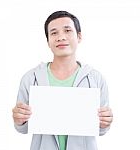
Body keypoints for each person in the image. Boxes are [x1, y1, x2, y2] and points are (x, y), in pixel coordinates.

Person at [12, 10, 113, 150]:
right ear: (48, 41)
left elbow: (101, 130)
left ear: (79, 36)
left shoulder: (96, 78)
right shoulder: (30, 78)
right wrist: (19, 120)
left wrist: (104, 123)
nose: (61, 37)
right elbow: (22, 129)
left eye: (67, 30)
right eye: (54, 33)